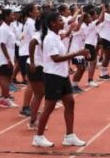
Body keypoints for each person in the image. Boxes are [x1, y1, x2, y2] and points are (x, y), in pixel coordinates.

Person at [33, 11, 88, 147]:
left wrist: (73, 26)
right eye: (59, 21)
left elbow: (66, 35)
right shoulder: (49, 38)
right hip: (53, 76)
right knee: (49, 107)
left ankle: (69, 136)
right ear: (52, 23)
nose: (63, 22)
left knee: (70, 102)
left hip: (62, 75)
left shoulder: (56, 36)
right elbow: (55, 58)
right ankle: (38, 137)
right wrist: (76, 53)